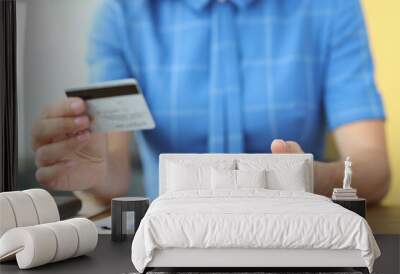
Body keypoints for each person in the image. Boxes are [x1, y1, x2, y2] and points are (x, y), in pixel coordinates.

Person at [32, 0, 390, 204]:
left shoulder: (332, 8)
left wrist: (310, 177)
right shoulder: (122, 15)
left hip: (297, 236)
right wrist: (92, 170)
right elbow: (114, 176)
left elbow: (374, 171)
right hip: (169, 247)